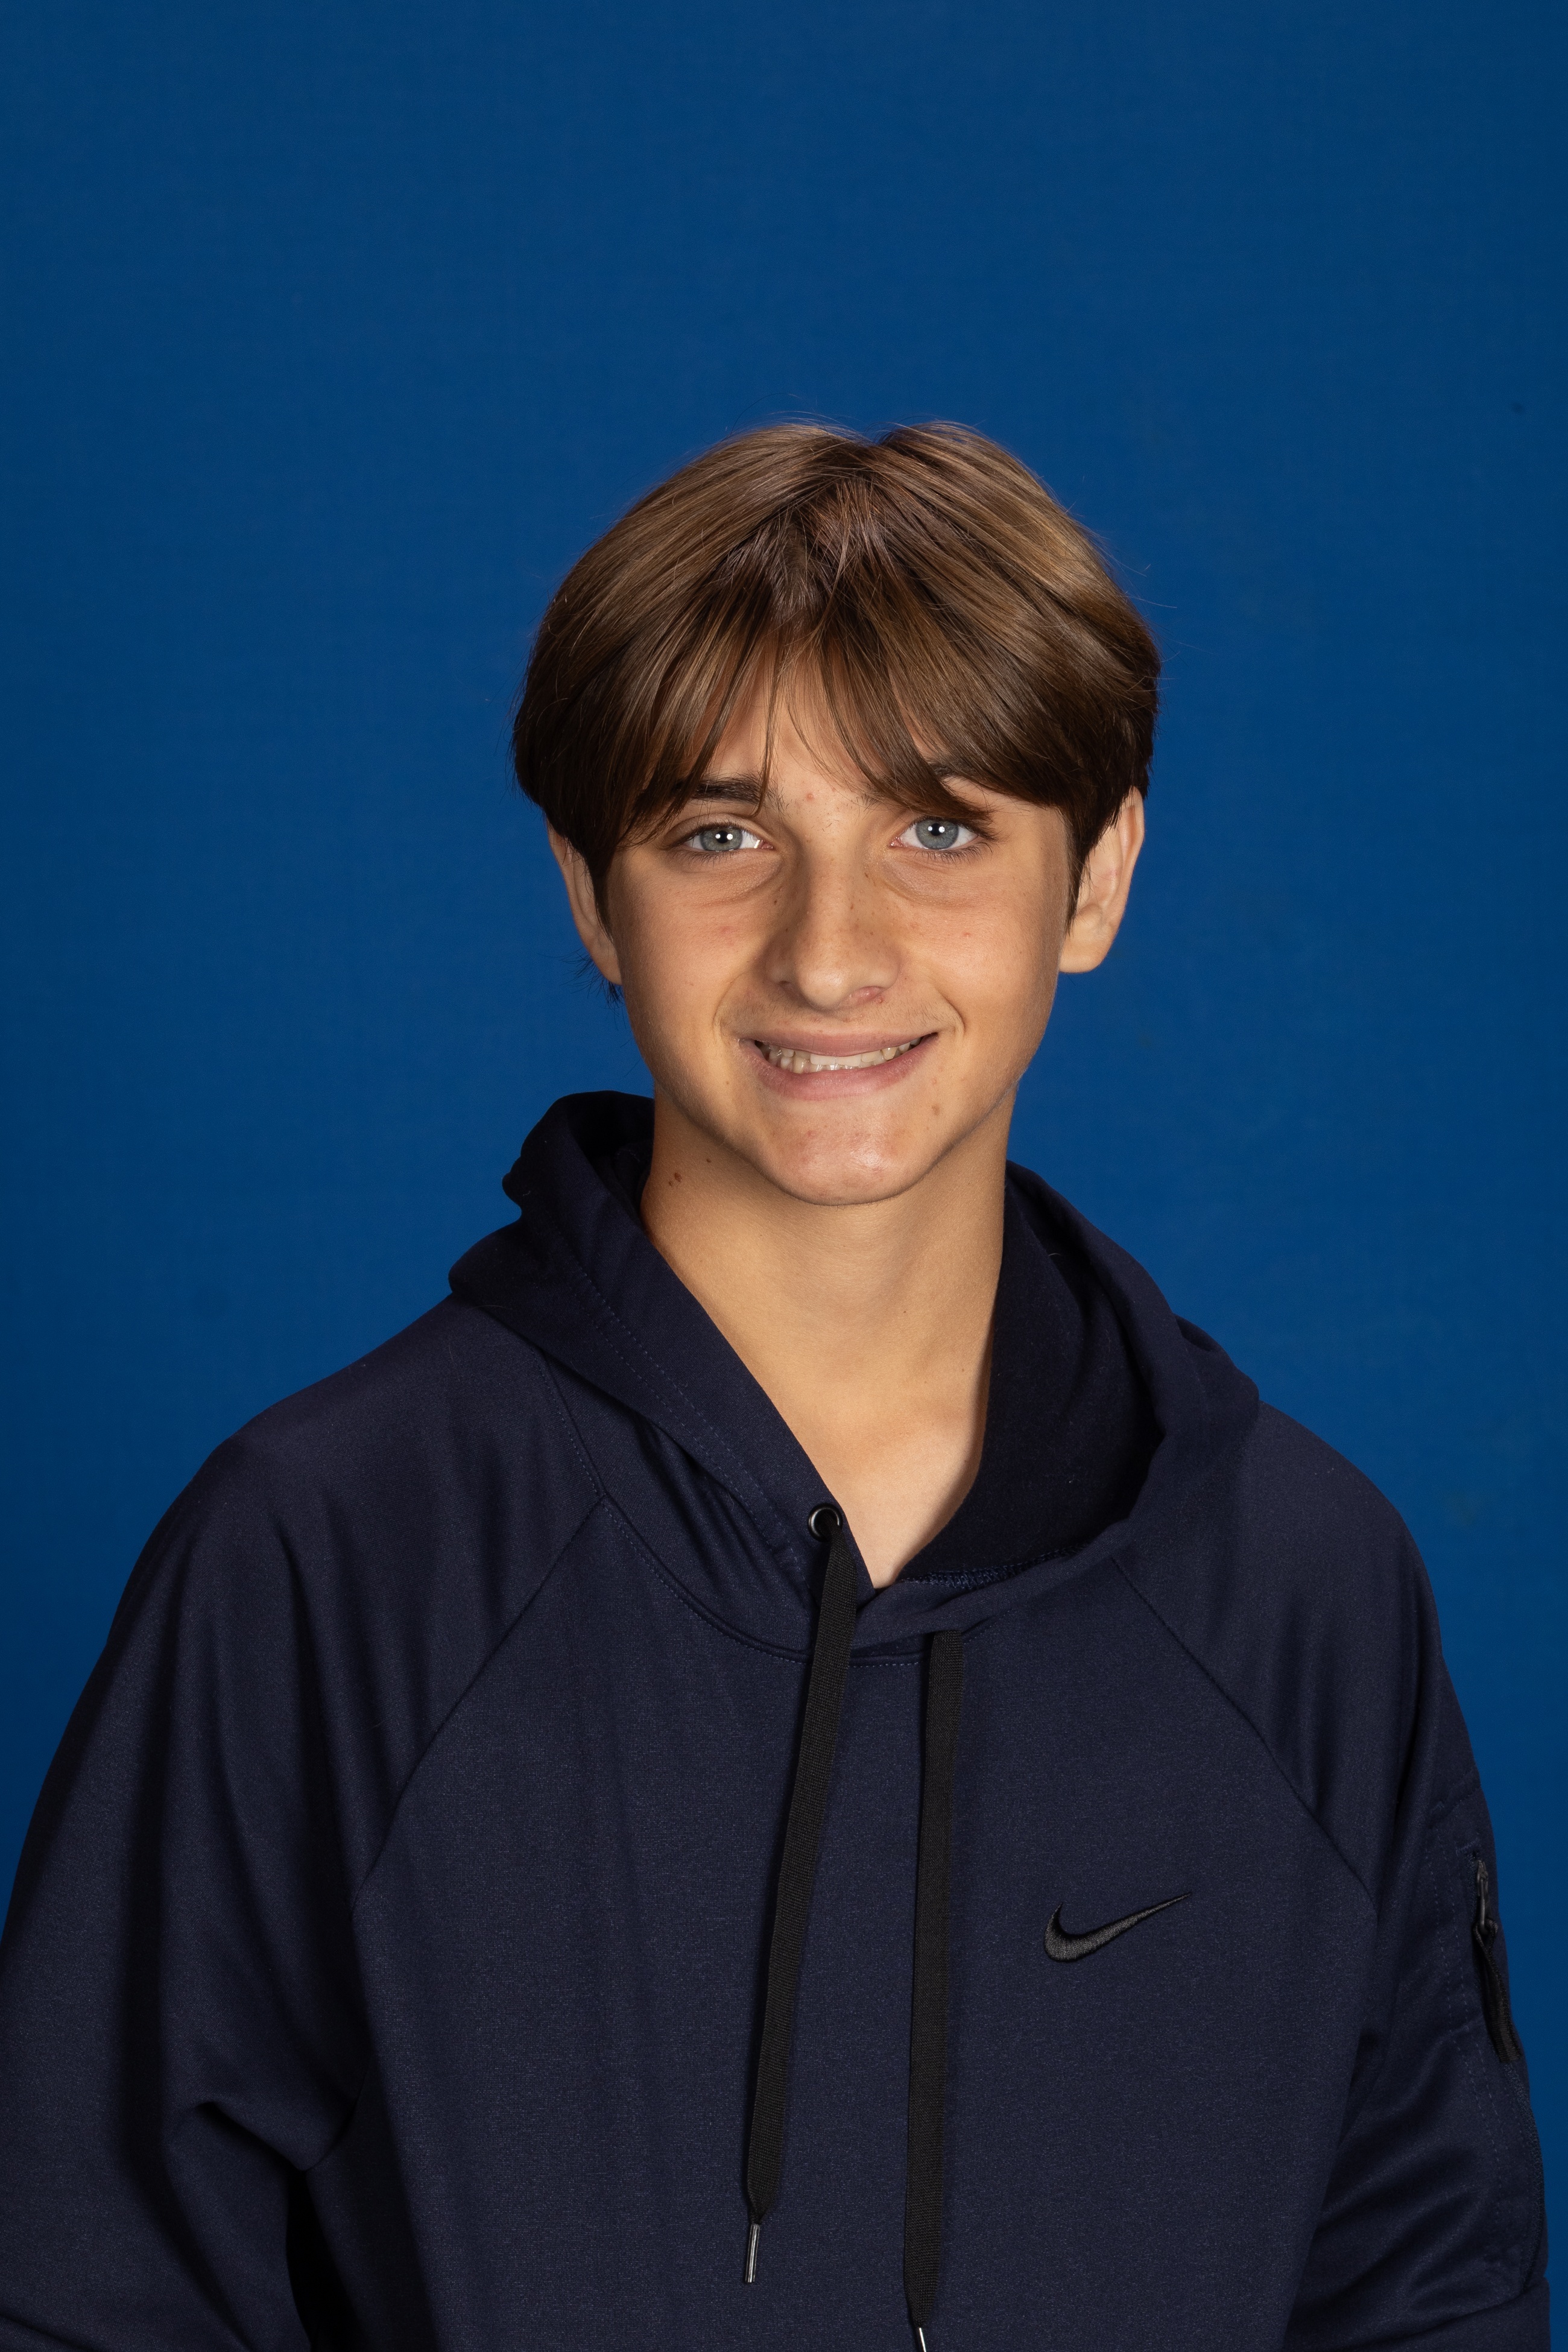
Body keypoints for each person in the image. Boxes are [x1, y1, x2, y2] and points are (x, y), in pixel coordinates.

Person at [0, 423, 1547, 2352]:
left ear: (1098, 876)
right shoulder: (326, 1558)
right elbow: (86, 2295)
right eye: (721, 836)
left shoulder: (1306, 1589)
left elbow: (1429, 2296)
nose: (831, 953)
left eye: (939, 828)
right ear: (593, 894)